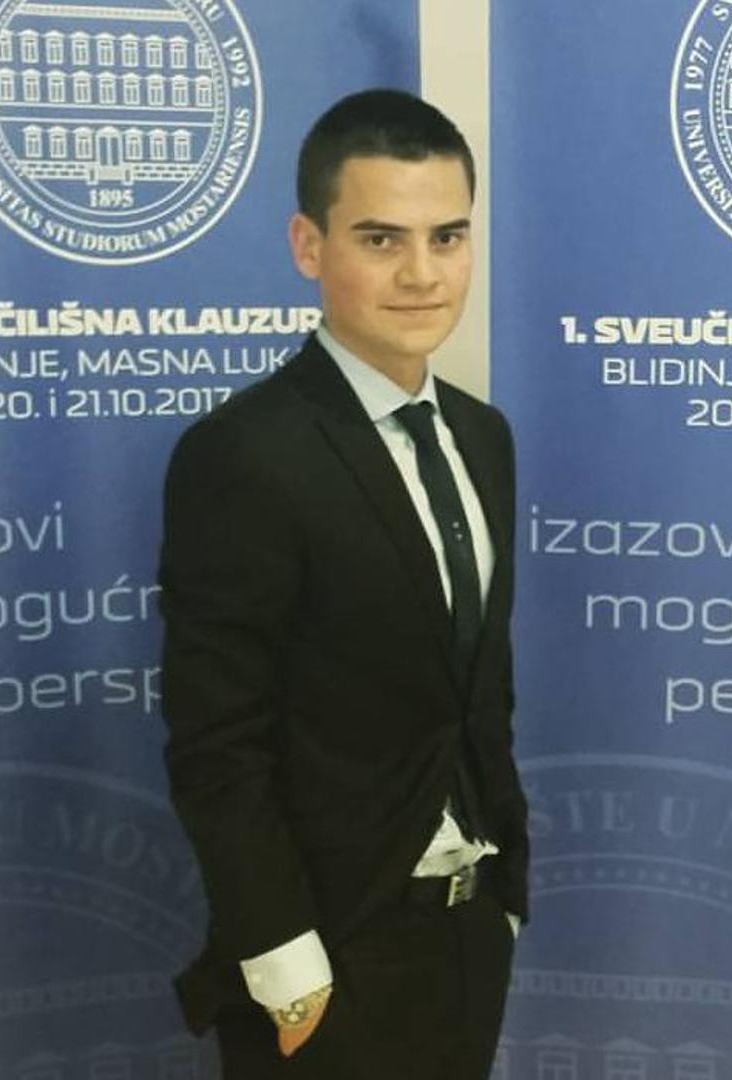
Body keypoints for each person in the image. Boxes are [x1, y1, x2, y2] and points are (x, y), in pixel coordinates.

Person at [159, 88, 529, 1080]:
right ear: (308, 246)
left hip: (468, 935)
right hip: (324, 958)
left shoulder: (483, 438)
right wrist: (285, 965)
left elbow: (474, 691)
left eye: (447, 236)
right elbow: (217, 743)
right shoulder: (243, 454)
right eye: (379, 239)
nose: (421, 274)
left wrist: (505, 896)